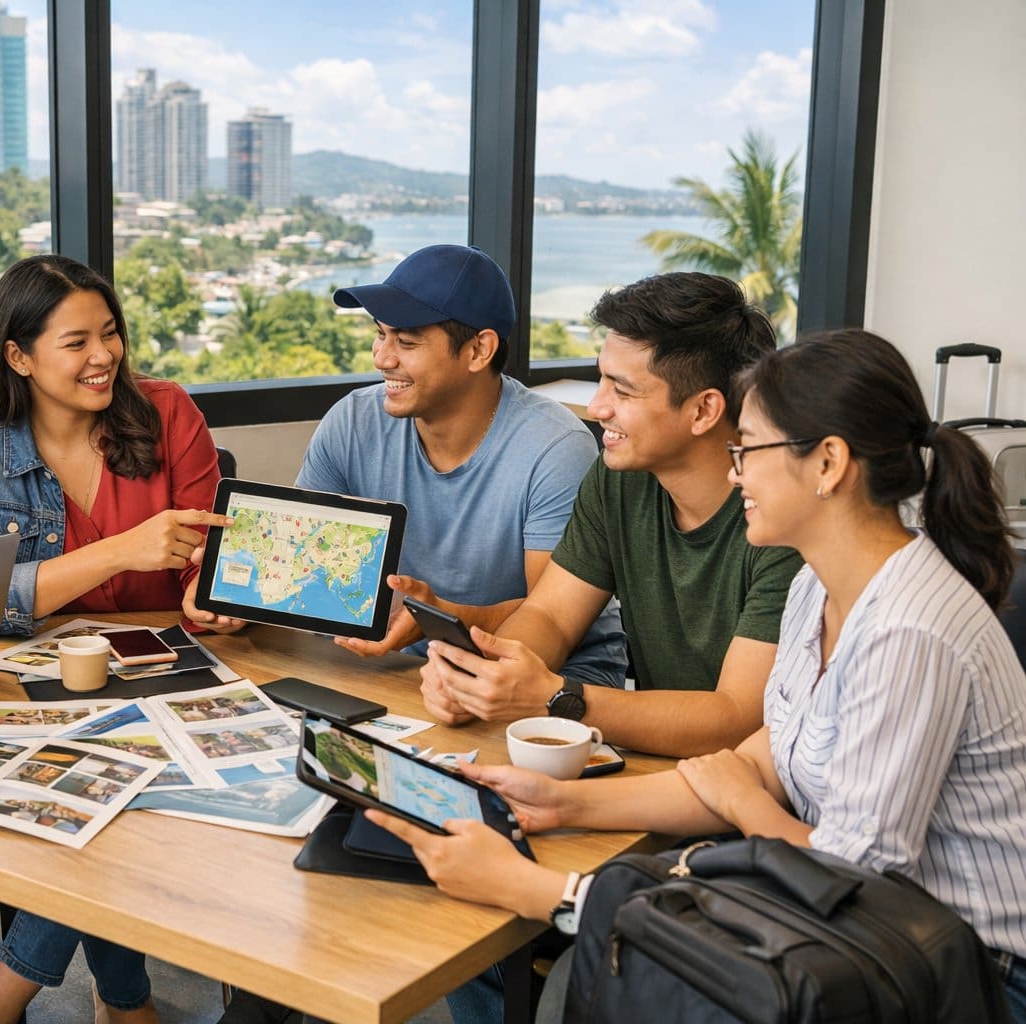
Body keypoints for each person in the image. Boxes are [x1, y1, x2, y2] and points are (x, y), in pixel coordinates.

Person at [371, 329, 1026, 1023]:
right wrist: (562, 803)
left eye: (750, 451)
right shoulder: (820, 587)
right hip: (866, 934)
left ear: (829, 463)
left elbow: (851, 878)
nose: (736, 475)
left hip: (968, 973)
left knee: (599, 976)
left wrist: (738, 809)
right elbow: (761, 762)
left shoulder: (908, 630)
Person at [0, 253, 229, 1024]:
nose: (105, 356)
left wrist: (216, 599)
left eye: (111, 333)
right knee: (81, 786)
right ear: (19, 355)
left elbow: (207, 569)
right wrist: (119, 552)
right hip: (18, 696)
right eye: (77, 342)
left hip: (159, 691)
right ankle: (123, 998)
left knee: (106, 779)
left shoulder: (168, 413)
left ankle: (2, 1004)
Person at [416, 272, 802, 758]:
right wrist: (485, 677)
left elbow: (737, 718)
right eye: (601, 379)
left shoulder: (784, 518)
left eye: (622, 391)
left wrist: (556, 699)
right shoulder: (621, 477)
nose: (597, 407)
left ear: (704, 411)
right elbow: (551, 616)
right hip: (660, 767)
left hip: (753, 782)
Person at [207, 243, 625, 686]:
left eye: (406, 342)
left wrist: (443, 617)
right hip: (398, 663)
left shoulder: (554, 448)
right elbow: (298, 563)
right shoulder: (352, 421)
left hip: (552, 674)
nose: (382, 358)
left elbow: (552, 616)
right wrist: (233, 592)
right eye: (381, 335)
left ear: (479, 350)